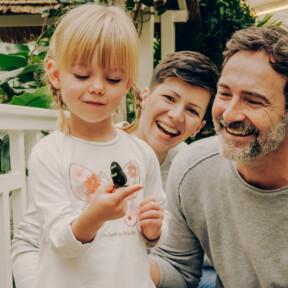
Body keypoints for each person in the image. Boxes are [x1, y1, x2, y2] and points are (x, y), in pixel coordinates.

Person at [11, 48, 219, 287]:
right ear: (144, 96)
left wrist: (144, 246)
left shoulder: (191, 171)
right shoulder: (80, 152)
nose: (175, 115)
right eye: (169, 98)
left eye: (192, 111)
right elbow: (28, 241)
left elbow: (184, 263)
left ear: (199, 127)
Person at [20, 4, 169, 288]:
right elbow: (59, 242)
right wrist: (95, 215)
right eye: (82, 75)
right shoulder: (49, 153)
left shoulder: (141, 154)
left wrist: (154, 229)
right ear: (55, 74)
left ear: (127, 84)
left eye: (112, 78)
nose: (98, 87)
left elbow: (157, 221)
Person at [150, 25, 288, 287]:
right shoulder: (194, 167)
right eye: (225, 94)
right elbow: (178, 268)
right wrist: (114, 254)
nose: (229, 114)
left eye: (254, 101)